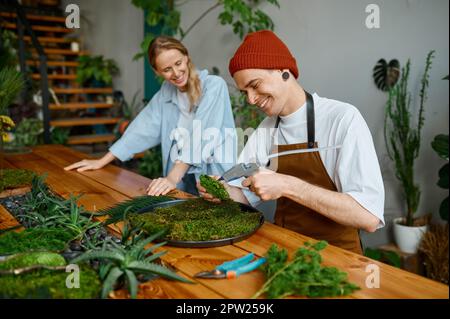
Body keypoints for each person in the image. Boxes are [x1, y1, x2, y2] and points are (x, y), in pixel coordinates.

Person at [198, 30, 385, 254]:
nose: (251, 99)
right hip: (284, 249)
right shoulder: (266, 130)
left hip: (339, 258)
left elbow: (368, 216)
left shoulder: (343, 119)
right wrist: (222, 191)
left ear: (283, 71)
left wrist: (287, 185)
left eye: (255, 85)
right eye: (244, 92)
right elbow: (243, 199)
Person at [65, 36, 236, 196]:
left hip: (213, 174)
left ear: (187, 57)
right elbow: (141, 129)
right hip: (181, 178)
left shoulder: (214, 86)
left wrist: (171, 178)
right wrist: (103, 160)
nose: (176, 73)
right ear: (157, 71)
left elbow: (201, 135)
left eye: (178, 63)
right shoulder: (165, 94)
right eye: (167, 69)